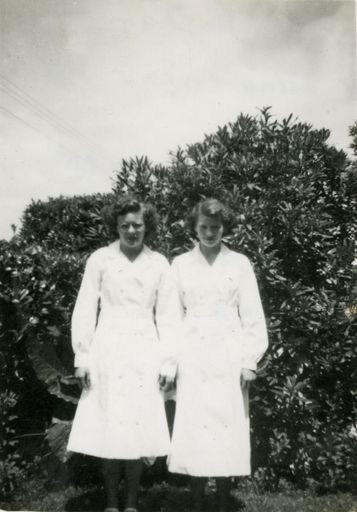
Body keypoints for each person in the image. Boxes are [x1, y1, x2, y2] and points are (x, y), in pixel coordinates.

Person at [67, 195, 177, 512]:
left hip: (144, 350)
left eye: (137, 225)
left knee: (137, 427)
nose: (131, 231)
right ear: (115, 226)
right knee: (110, 427)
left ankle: (131, 503)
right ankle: (111, 503)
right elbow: (85, 309)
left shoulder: (159, 263)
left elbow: (169, 316)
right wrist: (82, 357)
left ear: (147, 227)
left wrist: (169, 361)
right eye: (124, 225)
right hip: (107, 350)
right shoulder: (100, 259)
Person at [168, 198, 268, 512]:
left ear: (224, 227)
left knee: (227, 422)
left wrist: (249, 360)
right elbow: (171, 317)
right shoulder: (180, 264)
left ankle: (224, 500)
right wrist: (171, 360)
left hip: (229, 350)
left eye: (215, 227)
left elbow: (252, 315)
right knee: (195, 422)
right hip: (193, 350)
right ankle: (196, 499)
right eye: (203, 228)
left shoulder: (239, 263)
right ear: (193, 229)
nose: (210, 233)